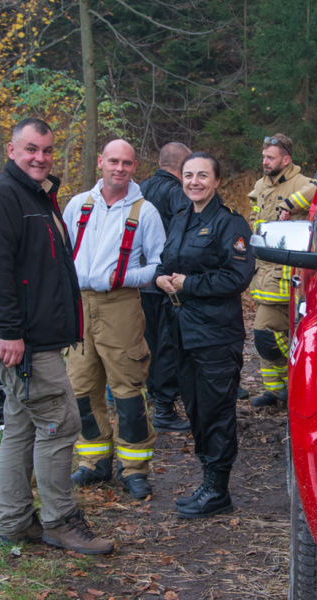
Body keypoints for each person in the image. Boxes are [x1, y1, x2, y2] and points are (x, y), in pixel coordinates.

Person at [0, 117, 113, 554]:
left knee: (21, 426)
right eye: (31, 149)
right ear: (12, 151)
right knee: (59, 423)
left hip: (36, 339)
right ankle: (59, 521)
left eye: (47, 150)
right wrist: (10, 333)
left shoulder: (36, 197)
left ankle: (14, 522)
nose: (40, 158)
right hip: (23, 343)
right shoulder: (2, 199)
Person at [63, 139, 165, 500]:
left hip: (121, 304)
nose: (118, 168)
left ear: (135, 166)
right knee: (79, 388)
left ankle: (134, 468)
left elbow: (158, 266)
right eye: (112, 162)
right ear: (100, 163)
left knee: (126, 389)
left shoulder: (145, 211)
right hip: (78, 305)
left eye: (126, 163)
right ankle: (94, 462)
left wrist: (122, 278)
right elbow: (62, 255)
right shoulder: (77, 206)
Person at [155, 151, 254, 518]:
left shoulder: (231, 225)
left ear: (217, 181)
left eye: (202, 175)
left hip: (215, 333)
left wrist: (189, 283)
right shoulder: (181, 218)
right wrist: (161, 277)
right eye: (188, 175)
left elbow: (236, 277)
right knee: (195, 408)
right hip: (181, 330)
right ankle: (207, 479)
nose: (194, 181)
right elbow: (168, 263)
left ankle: (217, 489)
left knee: (215, 410)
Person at [247, 134, 316, 408]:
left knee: (265, 332)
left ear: (286, 160)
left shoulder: (301, 182)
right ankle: (275, 391)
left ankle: (295, 381)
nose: (265, 162)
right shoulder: (260, 185)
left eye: (271, 158)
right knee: (269, 336)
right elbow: (256, 217)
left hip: (287, 274)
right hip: (263, 269)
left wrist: (290, 204)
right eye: (263, 157)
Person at [138, 142, 192, 432]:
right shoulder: (177, 193)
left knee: (148, 344)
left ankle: (154, 398)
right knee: (168, 345)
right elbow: (184, 232)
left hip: (141, 280)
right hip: (168, 281)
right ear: (181, 165)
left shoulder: (139, 189)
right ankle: (165, 408)